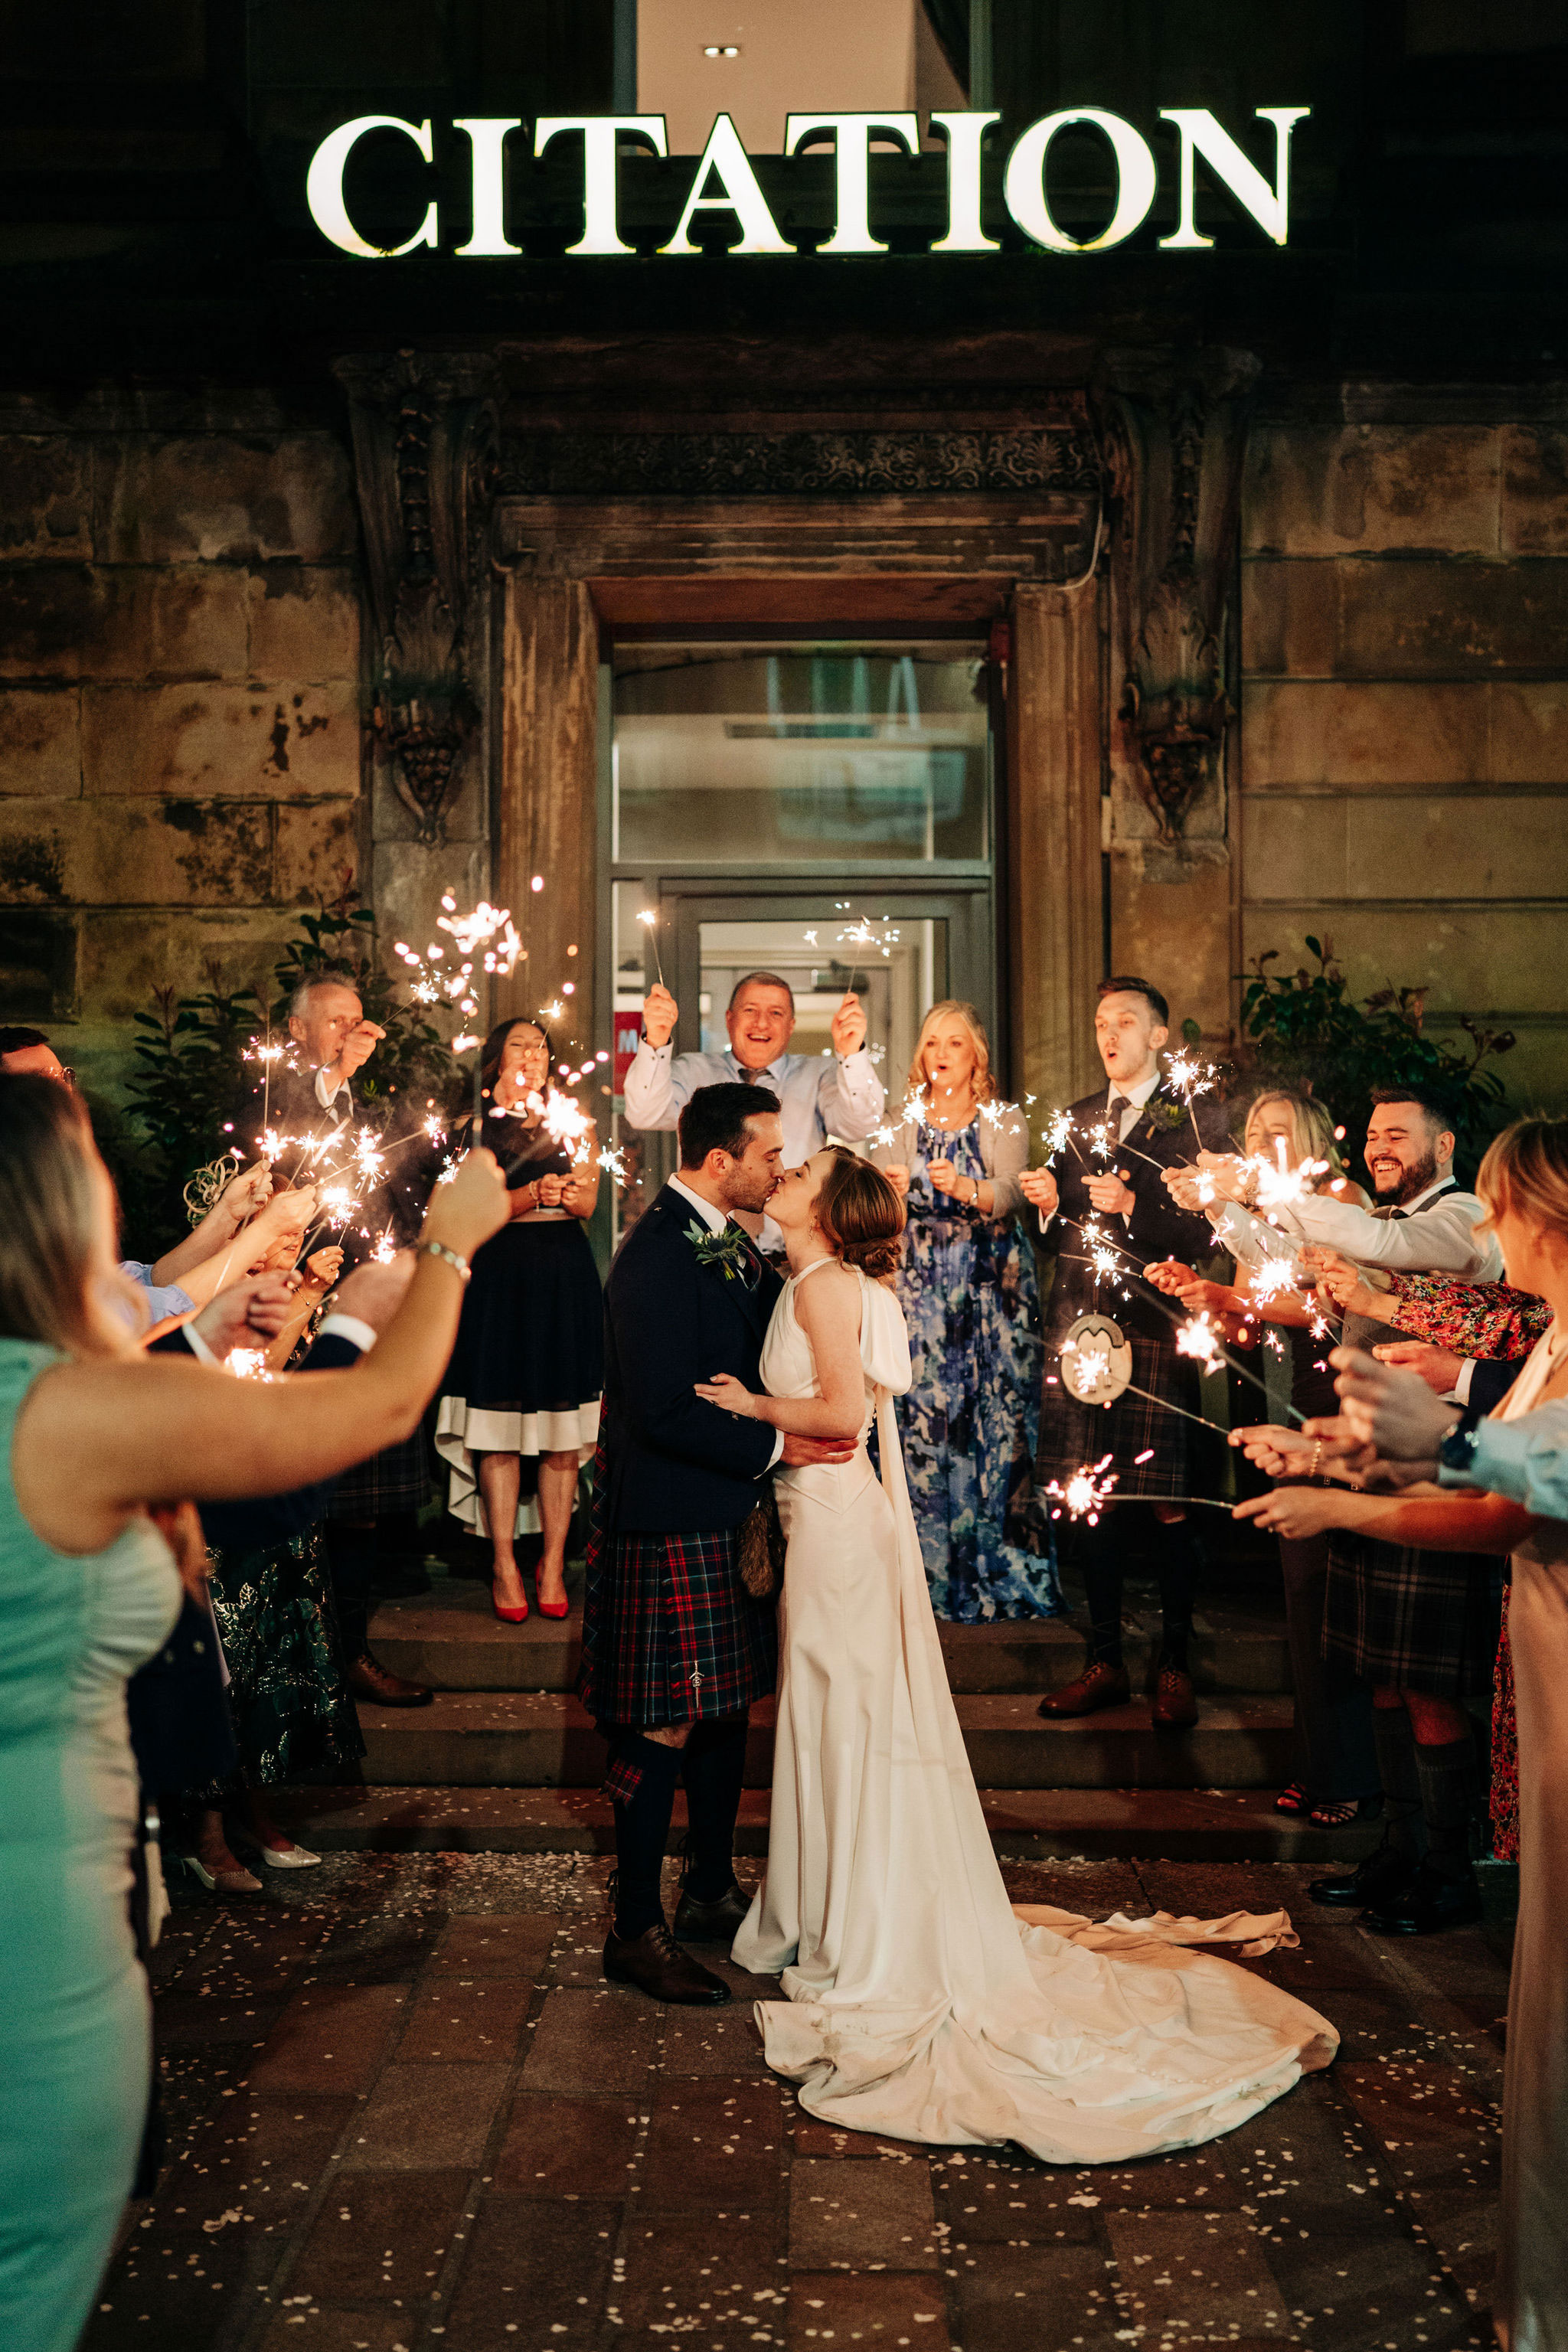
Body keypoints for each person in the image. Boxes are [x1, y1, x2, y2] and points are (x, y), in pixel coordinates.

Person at [694, 1143, 1337, 2159]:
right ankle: (833, 1904)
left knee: (841, 1713)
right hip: (826, 1522)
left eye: (803, 1169)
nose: (786, 1174)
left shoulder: (823, 1288)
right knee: (833, 1713)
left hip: (831, 1523)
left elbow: (837, 1415)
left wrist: (749, 1408)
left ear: (829, 1203)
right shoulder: (818, 1277)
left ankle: (849, 1916)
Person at [0, 1070, 506, 2352]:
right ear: (54, 1207)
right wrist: (444, 1245)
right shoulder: (58, 1410)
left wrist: (296, 1318)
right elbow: (377, 1409)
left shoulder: (63, 1384)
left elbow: (218, 1389)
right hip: (34, 1938)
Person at [1235, 1117, 1568, 2352]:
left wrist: (1347, 1497)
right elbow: (1484, 1484)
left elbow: (1510, 1498)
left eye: (1497, 1206)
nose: (1487, 1229)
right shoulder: (1548, 1337)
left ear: (1542, 1210)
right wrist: (1351, 1468)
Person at [577, 1082, 858, 2007]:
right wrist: (782, 1442)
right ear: (715, 1162)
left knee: (727, 1708)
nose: (778, 1167)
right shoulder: (655, 1256)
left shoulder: (732, 1241)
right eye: (767, 1154)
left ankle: (704, 1887)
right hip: (666, 1519)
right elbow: (659, 1412)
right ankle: (634, 1929)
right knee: (661, 1720)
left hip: (721, 1514)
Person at [1159, 1087, 1380, 1828]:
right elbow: (1258, 1316)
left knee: (1332, 1589)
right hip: (1284, 1395)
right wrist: (1212, 1300)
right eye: (1254, 1130)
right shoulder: (1258, 1217)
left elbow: (1328, 1307)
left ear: (1313, 1135)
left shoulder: (1342, 1200)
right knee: (1303, 1593)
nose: (1261, 1141)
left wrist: (1233, 1300)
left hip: (1342, 1392)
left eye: (1279, 1130)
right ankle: (1320, 1765)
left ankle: (1349, 1774)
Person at [1017, 976, 1230, 1730]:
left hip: (1155, 1321)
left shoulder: (1196, 1120)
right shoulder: (1075, 1119)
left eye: (1125, 1022)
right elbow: (1062, 1225)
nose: (1108, 1034)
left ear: (1158, 1036)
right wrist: (1047, 1203)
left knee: (1166, 1500)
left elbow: (1217, 1235)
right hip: (1082, 1329)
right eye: (1100, 1021)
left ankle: (1172, 1663)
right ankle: (1103, 1662)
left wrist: (1139, 1207)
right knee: (1090, 1500)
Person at [261, 972, 433, 1710]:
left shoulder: (364, 1103)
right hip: (285, 1313)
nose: (353, 1033)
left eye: (360, 1021)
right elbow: (284, 1157)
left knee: (362, 1494)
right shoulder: (271, 1092)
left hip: (362, 1310)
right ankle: (293, 1663)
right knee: (300, 1492)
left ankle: (351, 1652)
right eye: (336, 1022)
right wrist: (332, 1076)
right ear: (297, 1030)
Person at [869, 999, 1057, 1621]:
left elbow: (1010, 1192)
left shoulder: (1002, 1118)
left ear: (977, 1053)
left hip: (990, 1286)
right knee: (921, 1416)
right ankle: (924, 1577)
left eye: (954, 1042)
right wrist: (886, 1189)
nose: (941, 1053)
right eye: (931, 1043)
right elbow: (870, 1205)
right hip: (919, 1289)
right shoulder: (898, 1120)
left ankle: (1000, 1573)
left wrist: (965, 1189)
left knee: (995, 1418)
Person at [436, 1018, 603, 1621]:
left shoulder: (572, 1120)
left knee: (561, 1433)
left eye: (541, 1046)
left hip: (563, 1275)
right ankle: (504, 1562)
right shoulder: (471, 1129)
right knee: (499, 1426)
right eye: (520, 1046)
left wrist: (564, 1194)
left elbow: (589, 1200)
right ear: (495, 1062)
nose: (533, 1054)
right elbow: (466, 1208)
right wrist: (532, 1195)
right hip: (500, 1279)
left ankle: (553, 1561)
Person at [622, 970, 885, 1251]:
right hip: (708, 1250)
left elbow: (862, 1124)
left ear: (791, 1024)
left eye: (776, 1013)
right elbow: (644, 1113)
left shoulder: (821, 1075)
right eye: (750, 1010)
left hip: (795, 1254)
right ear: (729, 1018)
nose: (762, 1023)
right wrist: (656, 1040)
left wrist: (852, 1052)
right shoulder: (692, 1071)